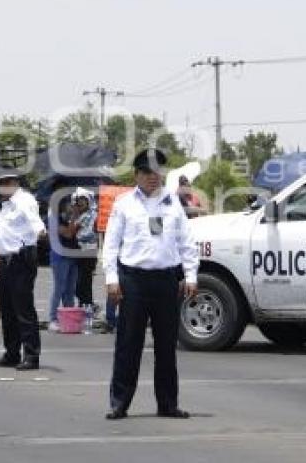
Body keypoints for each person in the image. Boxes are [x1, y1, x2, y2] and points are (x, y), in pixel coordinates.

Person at [102, 148, 199, 420]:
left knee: (166, 346)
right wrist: (112, 279)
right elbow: (110, 244)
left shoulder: (171, 202)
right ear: (137, 174)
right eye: (147, 173)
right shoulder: (124, 204)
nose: (153, 178)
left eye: (157, 173)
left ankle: (168, 403)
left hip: (166, 279)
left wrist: (190, 274)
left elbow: (186, 240)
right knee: (128, 344)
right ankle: (119, 402)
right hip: (133, 280)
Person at [0, 172, 46, 371]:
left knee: (23, 309)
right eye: (1, 182)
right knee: (8, 310)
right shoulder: (6, 205)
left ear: (16, 182)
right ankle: (11, 353)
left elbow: (34, 219)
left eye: (8, 182)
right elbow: (7, 234)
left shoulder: (24, 200)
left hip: (22, 259)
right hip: (7, 260)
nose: (4, 185)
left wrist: (40, 230)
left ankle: (31, 355)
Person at [47, 187, 80, 332]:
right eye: (68, 202)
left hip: (73, 255)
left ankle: (68, 317)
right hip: (59, 257)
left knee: (70, 290)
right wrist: (74, 218)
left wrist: (75, 217)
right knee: (59, 288)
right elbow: (68, 234)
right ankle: (53, 319)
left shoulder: (66, 216)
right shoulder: (53, 216)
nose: (70, 204)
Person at [72, 188, 98, 309]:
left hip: (88, 252)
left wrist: (76, 232)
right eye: (79, 200)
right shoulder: (78, 214)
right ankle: (86, 305)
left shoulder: (92, 214)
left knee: (84, 282)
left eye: (83, 199)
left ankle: (88, 305)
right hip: (78, 251)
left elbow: (89, 234)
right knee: (80, 282)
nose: (81, 202)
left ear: (89, 201)